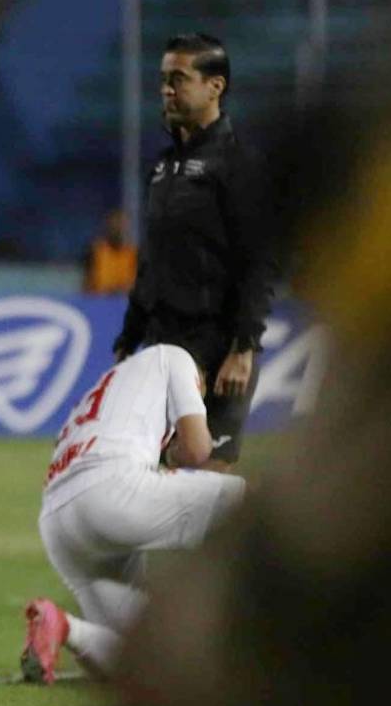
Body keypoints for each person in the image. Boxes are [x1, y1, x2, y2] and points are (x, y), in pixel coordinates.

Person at [21, 344, 246, 684]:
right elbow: (198, 449)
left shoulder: (108, 387)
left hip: (58, 520)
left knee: (143, 660)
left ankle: (64, 627)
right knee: (250, 499)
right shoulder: (176, 356)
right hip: (109, 490)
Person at [113, 33, 276, 472]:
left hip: (217, 345)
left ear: (215, 87)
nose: (167, 89)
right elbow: (152, 262)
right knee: (152, 478)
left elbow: (258, 262)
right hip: (163, 346)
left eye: (179, 79)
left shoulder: (237, 164)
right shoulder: (164, 168)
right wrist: (130, 338)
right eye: (164, 79)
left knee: (209, 478)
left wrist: (243, 347)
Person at [82, 209, 137, 295]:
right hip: (100, 300)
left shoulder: (132, 253)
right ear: (108, 226)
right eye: (115, 226)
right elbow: (87, 283)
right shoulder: (96, 251)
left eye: (121, 226)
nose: (118, 229)